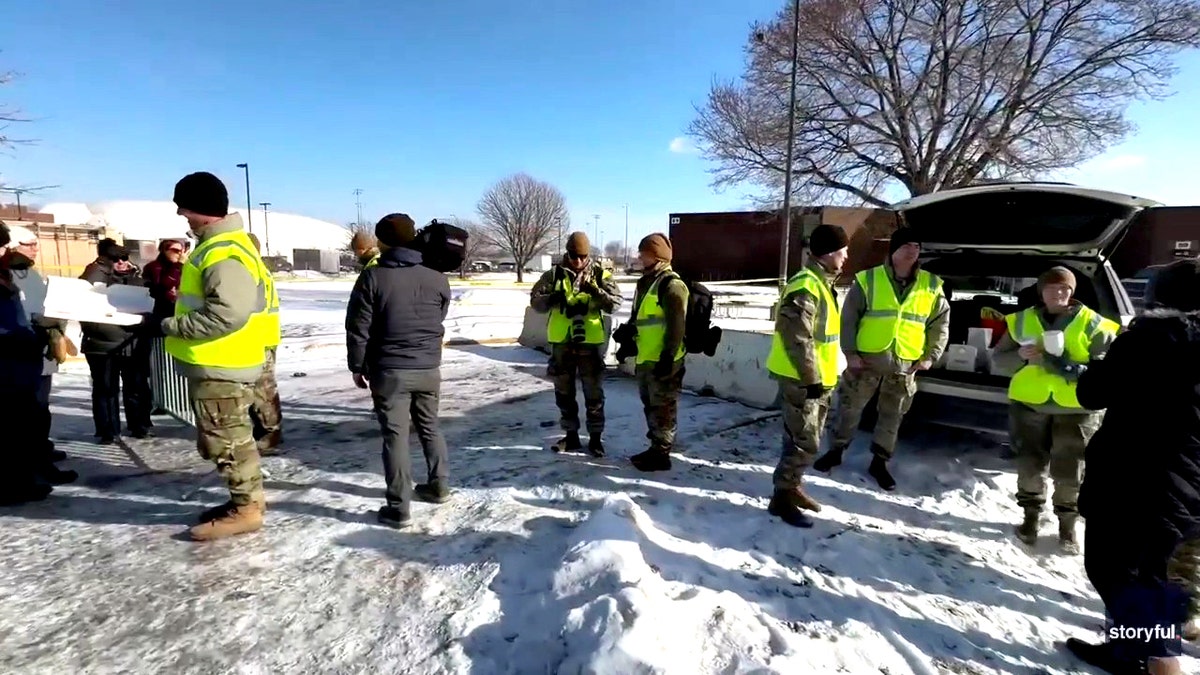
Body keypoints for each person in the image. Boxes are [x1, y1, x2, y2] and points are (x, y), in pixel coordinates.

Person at [1064, 258, 1200, 675]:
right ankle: (1127, 649)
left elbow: (1092, 393)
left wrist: (1099, 363)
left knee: (1115, 570)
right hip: (1188, 479)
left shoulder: (1146, 340)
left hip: (1135, 477)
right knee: (1150, 570)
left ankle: (1162, 662)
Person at [162, 172, 271, 541]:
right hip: (224, 363)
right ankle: (247, 501)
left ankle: (246, 510)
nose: (182, 215)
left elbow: (228, 313)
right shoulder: (223, 245)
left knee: (227, 442)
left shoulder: (223, 250)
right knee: (231, 439)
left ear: (201, 209)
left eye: (185, 208)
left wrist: (171, 326)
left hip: (223, 365)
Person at [990, 266, 1119, 553]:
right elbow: (999, 360)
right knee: (1030, 465)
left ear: (1072, 292)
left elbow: (1107, 369)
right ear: (1041, 292)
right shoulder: (1021, 321)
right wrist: (1020, 356)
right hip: (1030, 404)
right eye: (1052, 287)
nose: (1058, 293)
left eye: (1065, 288)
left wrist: (1072, 367)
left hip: (1076, 407)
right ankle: (1030, 517)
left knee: (1071, 470)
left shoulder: (1093, 323)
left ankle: (1067, 525)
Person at [813, 228, 950, 490]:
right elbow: (849, 318)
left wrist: (931, 356)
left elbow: (940, 324)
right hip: (866, 361)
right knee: (849, 409)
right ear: (893, 250)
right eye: (906, 245)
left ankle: (880, 462)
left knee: (892, 416)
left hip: (905, 364)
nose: (912, 251)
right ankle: (835, 451)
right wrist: (850, 353)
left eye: (916, 246)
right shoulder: (869, 279)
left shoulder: (932, 284)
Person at [345, 213, 452, 529]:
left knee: (396, 436)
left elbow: (358, 328)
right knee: (430, 426)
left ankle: (399, 507)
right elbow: (439, 316)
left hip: (390, 370)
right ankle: (439, 486)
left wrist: (357, 365)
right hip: (429, 368)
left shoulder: (372, 278)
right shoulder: (437, 278)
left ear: (381, 242)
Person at [765, 224, 850, 528]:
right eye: (842, 251)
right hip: (803, 380)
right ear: (828, 253)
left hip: (819, 379)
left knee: (802, 439)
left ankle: (793, 486)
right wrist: (811, 379)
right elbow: (798, 339)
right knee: (804, 442)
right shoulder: (806, 286)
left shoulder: (821, 282)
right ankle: (782, 498)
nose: (846, 257)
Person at [529, 231, 623, 456]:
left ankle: (595, 439)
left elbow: (615, 304)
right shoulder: (553, 275)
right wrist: (554, 298)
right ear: (567, 253)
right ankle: (571, 436)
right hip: (562, 342)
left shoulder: (600, 274)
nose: (578, 261)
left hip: (590, 344)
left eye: (583, 256)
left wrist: (596, 292)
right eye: (574, 256)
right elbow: (535, 302)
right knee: (564, 393)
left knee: (594, 395)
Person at [7, 225, 76, 483]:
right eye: (29, 244)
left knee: (40, 409)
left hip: (39, 349)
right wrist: (38, 320)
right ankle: (33, 468)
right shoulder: (10, 276)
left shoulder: (29, 273)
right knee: (28, 413)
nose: (35, 249)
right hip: (20, 353)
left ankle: (41, 454)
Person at [0, 221, 55, 505]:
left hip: (19, 363)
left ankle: (24, 478)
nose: (4, 251)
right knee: (11, 429)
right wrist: (24, 338)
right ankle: (13, 486)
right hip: (8, 364)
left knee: (22, 424)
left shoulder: (9, 275)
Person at [80, 238, 152, 442]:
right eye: (115, 258)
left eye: (124, 258)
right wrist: (102, 265)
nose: (120, 262)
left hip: (133, 343)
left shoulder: (137, 279)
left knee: (136, 387)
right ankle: (108, 431)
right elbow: (86, 287)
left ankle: (139, 425)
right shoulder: (95, 275)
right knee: (105, 390)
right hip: (102, 344)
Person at [627, 233, 688, 472]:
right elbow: (642, 318)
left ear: (658, 257)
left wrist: (668, 357)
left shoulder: (672, 285)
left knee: (663, 408)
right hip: (646, 357)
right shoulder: (647, 283)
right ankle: (655, 447)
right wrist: (628, 336)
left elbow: (677, 326)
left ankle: (662, 454)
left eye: (645, 254)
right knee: (651, 406)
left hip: (664, 359)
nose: (641, 258)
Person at [246, 232, 283, 454]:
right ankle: (267, 430)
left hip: (259, 338)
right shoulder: (257, 268)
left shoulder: (251, 270)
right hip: (263, 337)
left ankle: (270, 433)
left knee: (263, 391)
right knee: (263, 389)